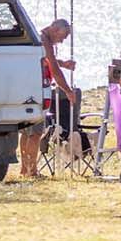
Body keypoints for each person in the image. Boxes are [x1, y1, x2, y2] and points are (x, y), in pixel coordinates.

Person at [20, 18, 79, 177]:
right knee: (35, 133)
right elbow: (52, 66)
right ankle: (31, 171)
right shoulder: (44, 40)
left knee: (26, 131)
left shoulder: (40, 39)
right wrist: (67, 90)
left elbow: (46, 60)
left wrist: (63, 64)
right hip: (35, 90)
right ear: (54, 28)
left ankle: (25, 169)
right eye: (62, 36)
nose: (61, 41)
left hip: (25, 89)